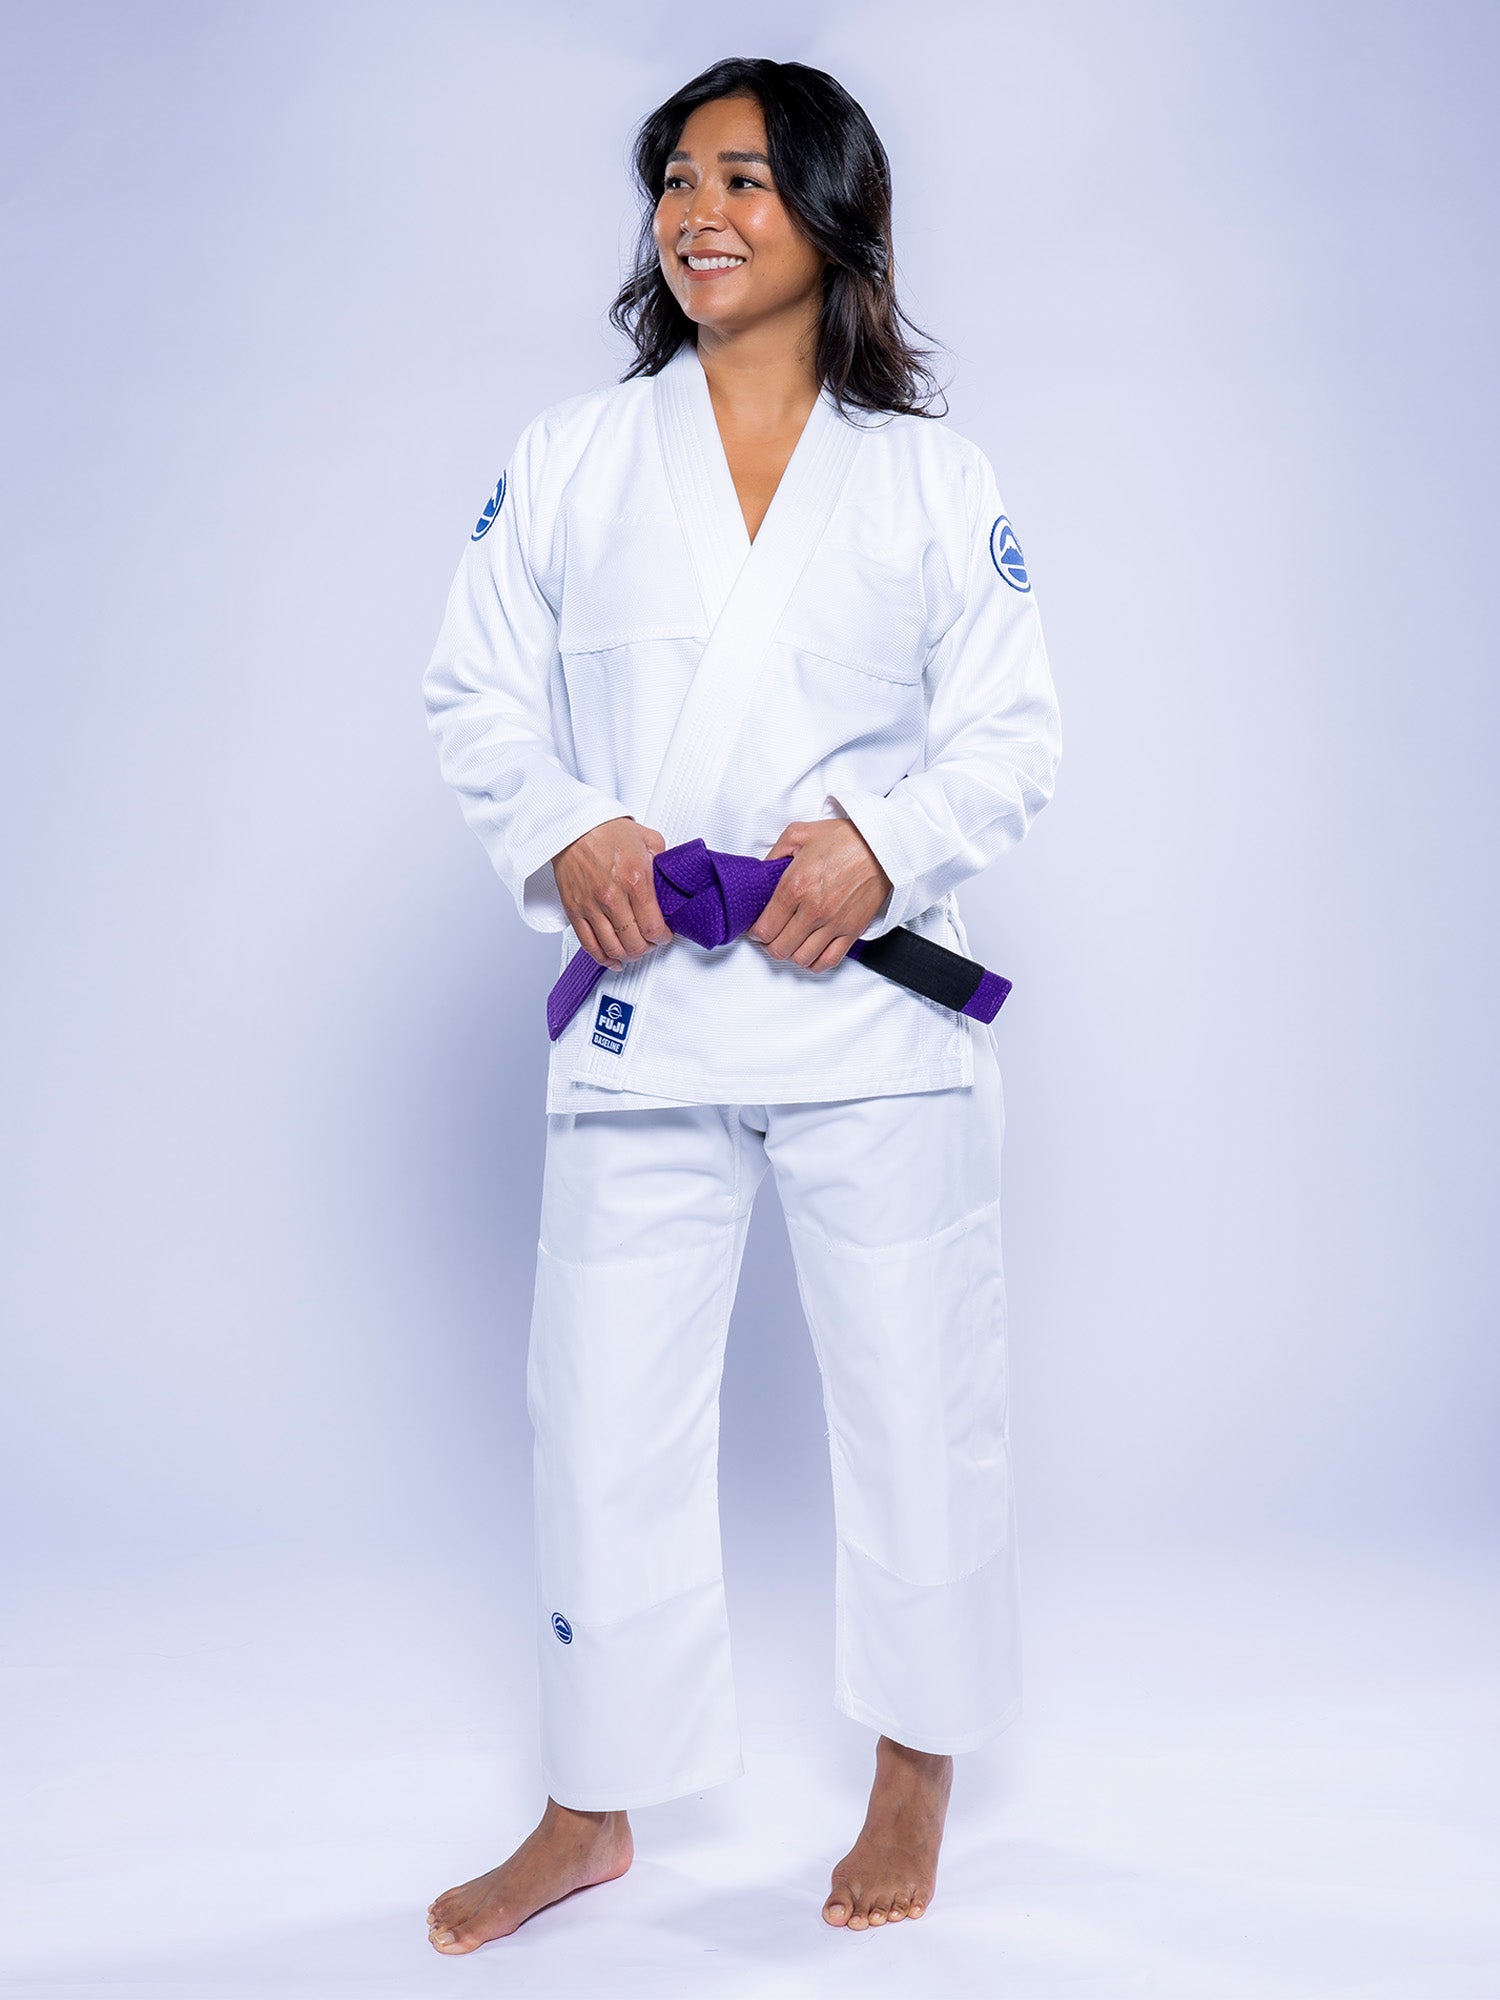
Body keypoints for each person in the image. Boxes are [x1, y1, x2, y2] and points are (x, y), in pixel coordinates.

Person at [419, 56, 1062, 1950]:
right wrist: (571, 828)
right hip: (648, 1007)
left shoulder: (936, 480)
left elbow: (1015, 733)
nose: (702, 210)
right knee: (598, 1408)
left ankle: (916, 1765)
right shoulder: (572, 456)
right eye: (678, 178)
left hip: (866, 1014)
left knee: (912, 1391)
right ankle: (587, 1803)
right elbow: (472, 692)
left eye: (749, 180)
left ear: (836, 215)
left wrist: (881, 837)